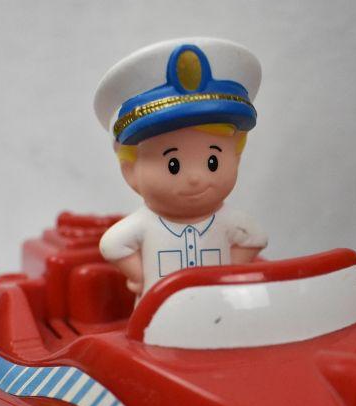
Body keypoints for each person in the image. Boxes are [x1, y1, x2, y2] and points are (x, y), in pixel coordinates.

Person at [94, 38, 268, 295]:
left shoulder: (228, 221)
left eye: (212, 162)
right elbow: (111, 245)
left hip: (221, 308)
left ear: (237, 158)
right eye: (173, 165)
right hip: (161, 314)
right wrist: (140, 277)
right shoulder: (145, 224)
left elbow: (256, 238)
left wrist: (231, 270)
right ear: (130, 172)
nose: (196, 178)